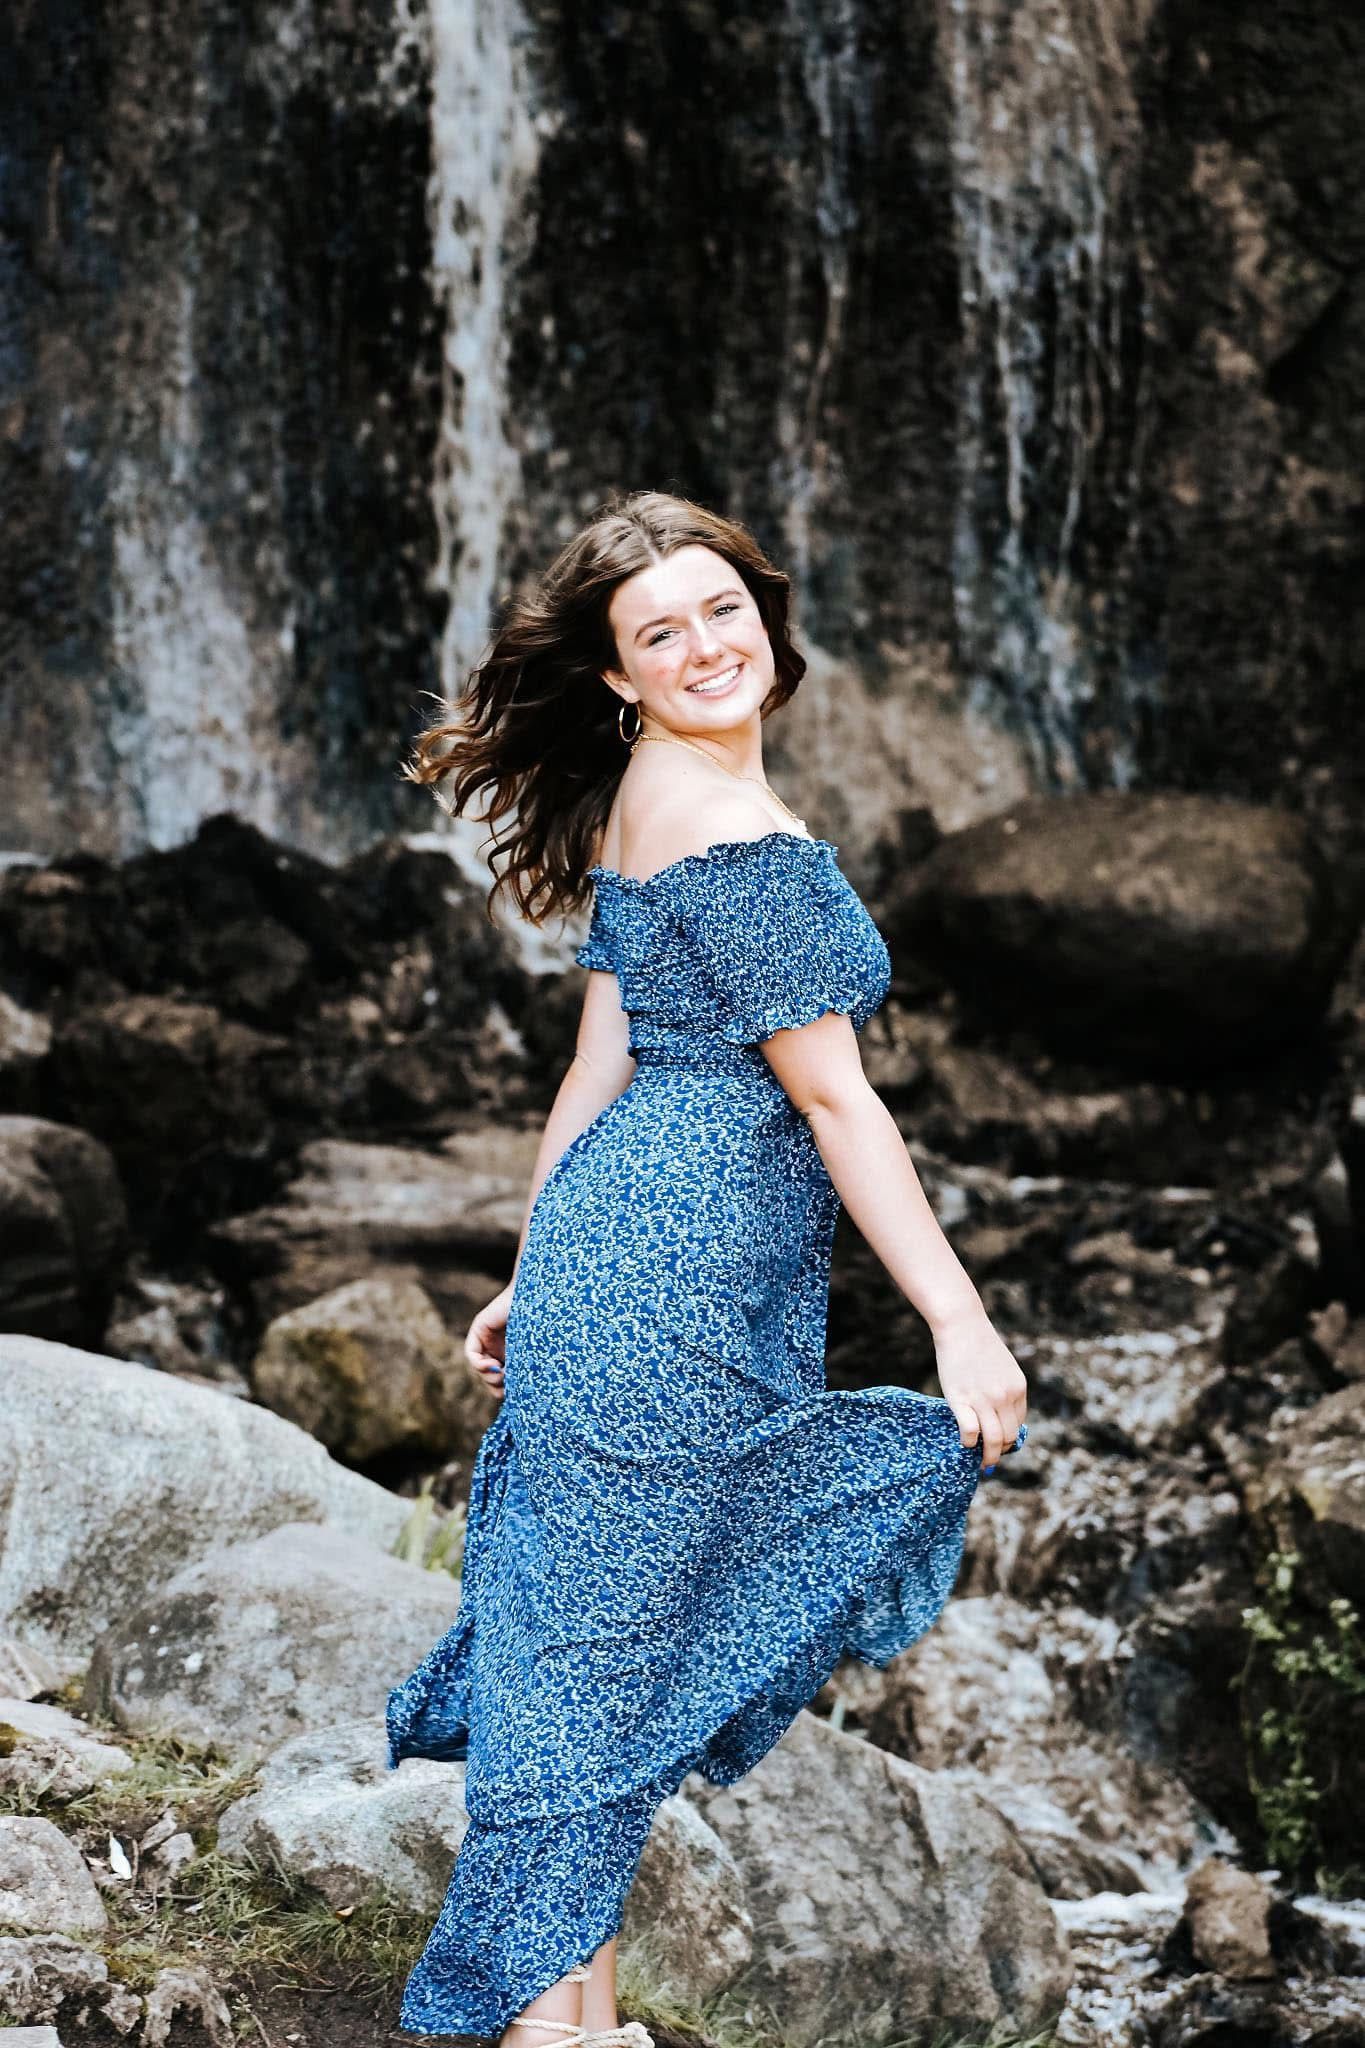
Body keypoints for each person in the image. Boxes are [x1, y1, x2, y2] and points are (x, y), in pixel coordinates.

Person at [387, 489, 1029, 2048]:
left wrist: (539, 1269)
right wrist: (958, 1321)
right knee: (606, 1657)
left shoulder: (656, 794)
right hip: (673, 1286)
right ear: (615, 673)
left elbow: (596, 1061)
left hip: (638, 1261)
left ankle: (579, 2021)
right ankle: (544, 2028)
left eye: (717, 610)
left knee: (596, 1642)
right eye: (655, 633)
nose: (699, 647)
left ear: (762, 608)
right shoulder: (725, 827)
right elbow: (831, 1096)